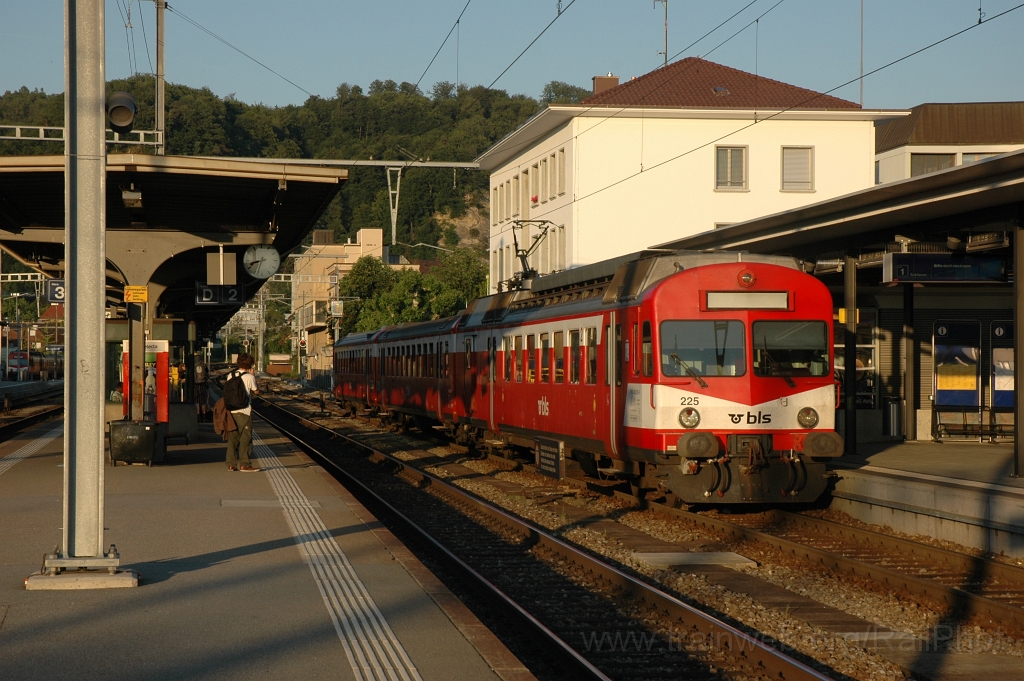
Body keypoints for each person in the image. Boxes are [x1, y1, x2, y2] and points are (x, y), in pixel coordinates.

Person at [225, 353, 259, 472]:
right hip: (245, 411)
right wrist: (253, 375)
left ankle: (231, 464)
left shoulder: (231, 375)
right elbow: (256, 391)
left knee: (233, 438)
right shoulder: (250, 377)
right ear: (250, 364)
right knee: (246, 438)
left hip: (231, 411)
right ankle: (245, 464)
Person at [194, 357, 210, 421]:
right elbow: (207, 375)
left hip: (195, 385)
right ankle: (204, 415)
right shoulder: (204, 365)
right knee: (203, 402)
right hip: (203, 385)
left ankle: (198, 416)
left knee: (197, 401)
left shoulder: (194, 365)